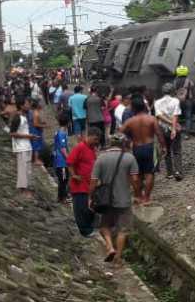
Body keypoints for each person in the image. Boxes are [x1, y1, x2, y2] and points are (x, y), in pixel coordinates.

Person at [89, 133, 140, 265]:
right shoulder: (130, 158)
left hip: (106, 201)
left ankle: (110, 247)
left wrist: (90, 197)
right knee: (123, 230)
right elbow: (135, 179)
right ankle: (117, 258)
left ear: (110, 143)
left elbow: (93, 181)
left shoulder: (100, 158)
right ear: (124, 144)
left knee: (104, 226)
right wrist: (137, 194)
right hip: (124, 200)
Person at [119, 97, 162, 204]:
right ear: (143, 106)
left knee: (136, 173)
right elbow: (159, 134)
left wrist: (128, 141)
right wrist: (164, 147)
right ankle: (146, 198)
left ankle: (138, 196)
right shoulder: (152, 119)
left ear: (133, 108)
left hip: (136, 148)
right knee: (149, 173)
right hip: (150, 147)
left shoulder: (130, 121)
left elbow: (120, 133)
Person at [67, 128, 101, 237]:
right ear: (89, 136)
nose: (97, 142)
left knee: (88, 208)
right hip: (79, 185)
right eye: (95, 139)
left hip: (89, 185)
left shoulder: (92, 149)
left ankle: (89, 228)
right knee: (81, 209)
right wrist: (74, 175)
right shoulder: (80, 147)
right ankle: (85, 231)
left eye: (98, 140)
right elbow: (70, 162)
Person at [155, 83, 184, 181]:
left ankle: (169, 173)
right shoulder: (175, 100)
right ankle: (178, 171)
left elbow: (159, 116)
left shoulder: (157, 102)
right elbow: (176, 115)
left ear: (163, 91)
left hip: (162, 129)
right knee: (176, 150)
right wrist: (174, 127)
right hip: (173, 128)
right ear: (172, 91)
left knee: (166, 150)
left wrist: (170, 123)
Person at [8, 98, 36, 198]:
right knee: (22, 169)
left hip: (27, 145)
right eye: (27, 104)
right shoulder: (17, 117)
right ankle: (23, 190)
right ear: (21, 106)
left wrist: (30, 137)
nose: (29, 106)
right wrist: (28, 136)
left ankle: (26, 188)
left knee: (27, 169)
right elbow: (12, 133)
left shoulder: (24, 116)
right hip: (21, 147)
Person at [53, 112, 71, 203]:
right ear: (68, 123)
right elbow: (63, 149)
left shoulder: (57, 132)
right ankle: (62, 198)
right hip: (62, 162)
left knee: (62, 180)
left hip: (57, 160)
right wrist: (69, 159)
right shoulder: (62, 134)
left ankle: (60, 197)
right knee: (64, 180)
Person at [173, 66, 195, 139]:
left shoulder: (175, 81)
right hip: (187, 100)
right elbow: (192, 86)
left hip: (177, 101)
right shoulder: (189, 81)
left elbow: (173, 89)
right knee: (188, 117)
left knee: (176, 116)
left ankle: (175, 131)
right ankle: (187, 135)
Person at [28, 99, 45, 166]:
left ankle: (34, 158)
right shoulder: (36, 113)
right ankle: (36, 160)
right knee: (36, 145)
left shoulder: (33, 112)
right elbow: (35, 124)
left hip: (34, 130)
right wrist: (44, 125)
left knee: (35, 144)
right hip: (35, 130)